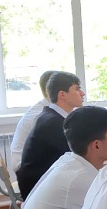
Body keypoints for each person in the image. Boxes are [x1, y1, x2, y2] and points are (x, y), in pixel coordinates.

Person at [16, 71, 85, 199]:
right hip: (38, 188)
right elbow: (81, 155)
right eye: (77, 89)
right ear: (62, 95)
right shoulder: (52, 122)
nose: (82, 93)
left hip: (44, 180)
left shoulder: (51, 115)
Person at [9, 70, 57, 172]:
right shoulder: (40, 116)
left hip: (29, 162)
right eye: (75, 89)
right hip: (26, 169)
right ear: (49, 91)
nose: (81, 93)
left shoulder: (47, 110)